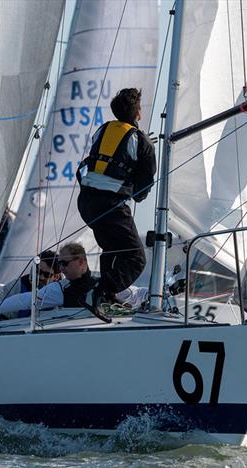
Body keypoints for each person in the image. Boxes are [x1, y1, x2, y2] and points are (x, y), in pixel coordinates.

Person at [77, 88, 156, 309]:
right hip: (110, 206)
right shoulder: (142, 142)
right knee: (135, 259)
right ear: (137, 113)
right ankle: (100, 293)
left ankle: (105, 298)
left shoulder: (102, 130)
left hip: (86, 203)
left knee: (112, 250)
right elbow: (143, 189)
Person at [0, 242, 147, 319]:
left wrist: (161, 295)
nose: (62, 268)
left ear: (81, 261)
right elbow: (27, 300)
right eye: (60, 264)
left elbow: (138, 294)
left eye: (65, 263)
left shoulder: (104, 283)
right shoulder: (60, 289)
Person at [0, 250, 60, 319]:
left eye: (47, 274)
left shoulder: (63, 291)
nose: (41, 277)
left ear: (56, 277)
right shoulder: (20, 284)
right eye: (38, 271)